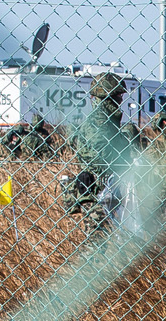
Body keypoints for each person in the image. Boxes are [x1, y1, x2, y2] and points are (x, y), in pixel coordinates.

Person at [63, 71, 149, 234]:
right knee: (98, 243)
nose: (121, 100)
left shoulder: (107, 121)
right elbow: (103, 156)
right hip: (99, 193)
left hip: (108, 192)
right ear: (108, 97)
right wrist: (128, 140)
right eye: (118, 95)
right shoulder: (99, 123)